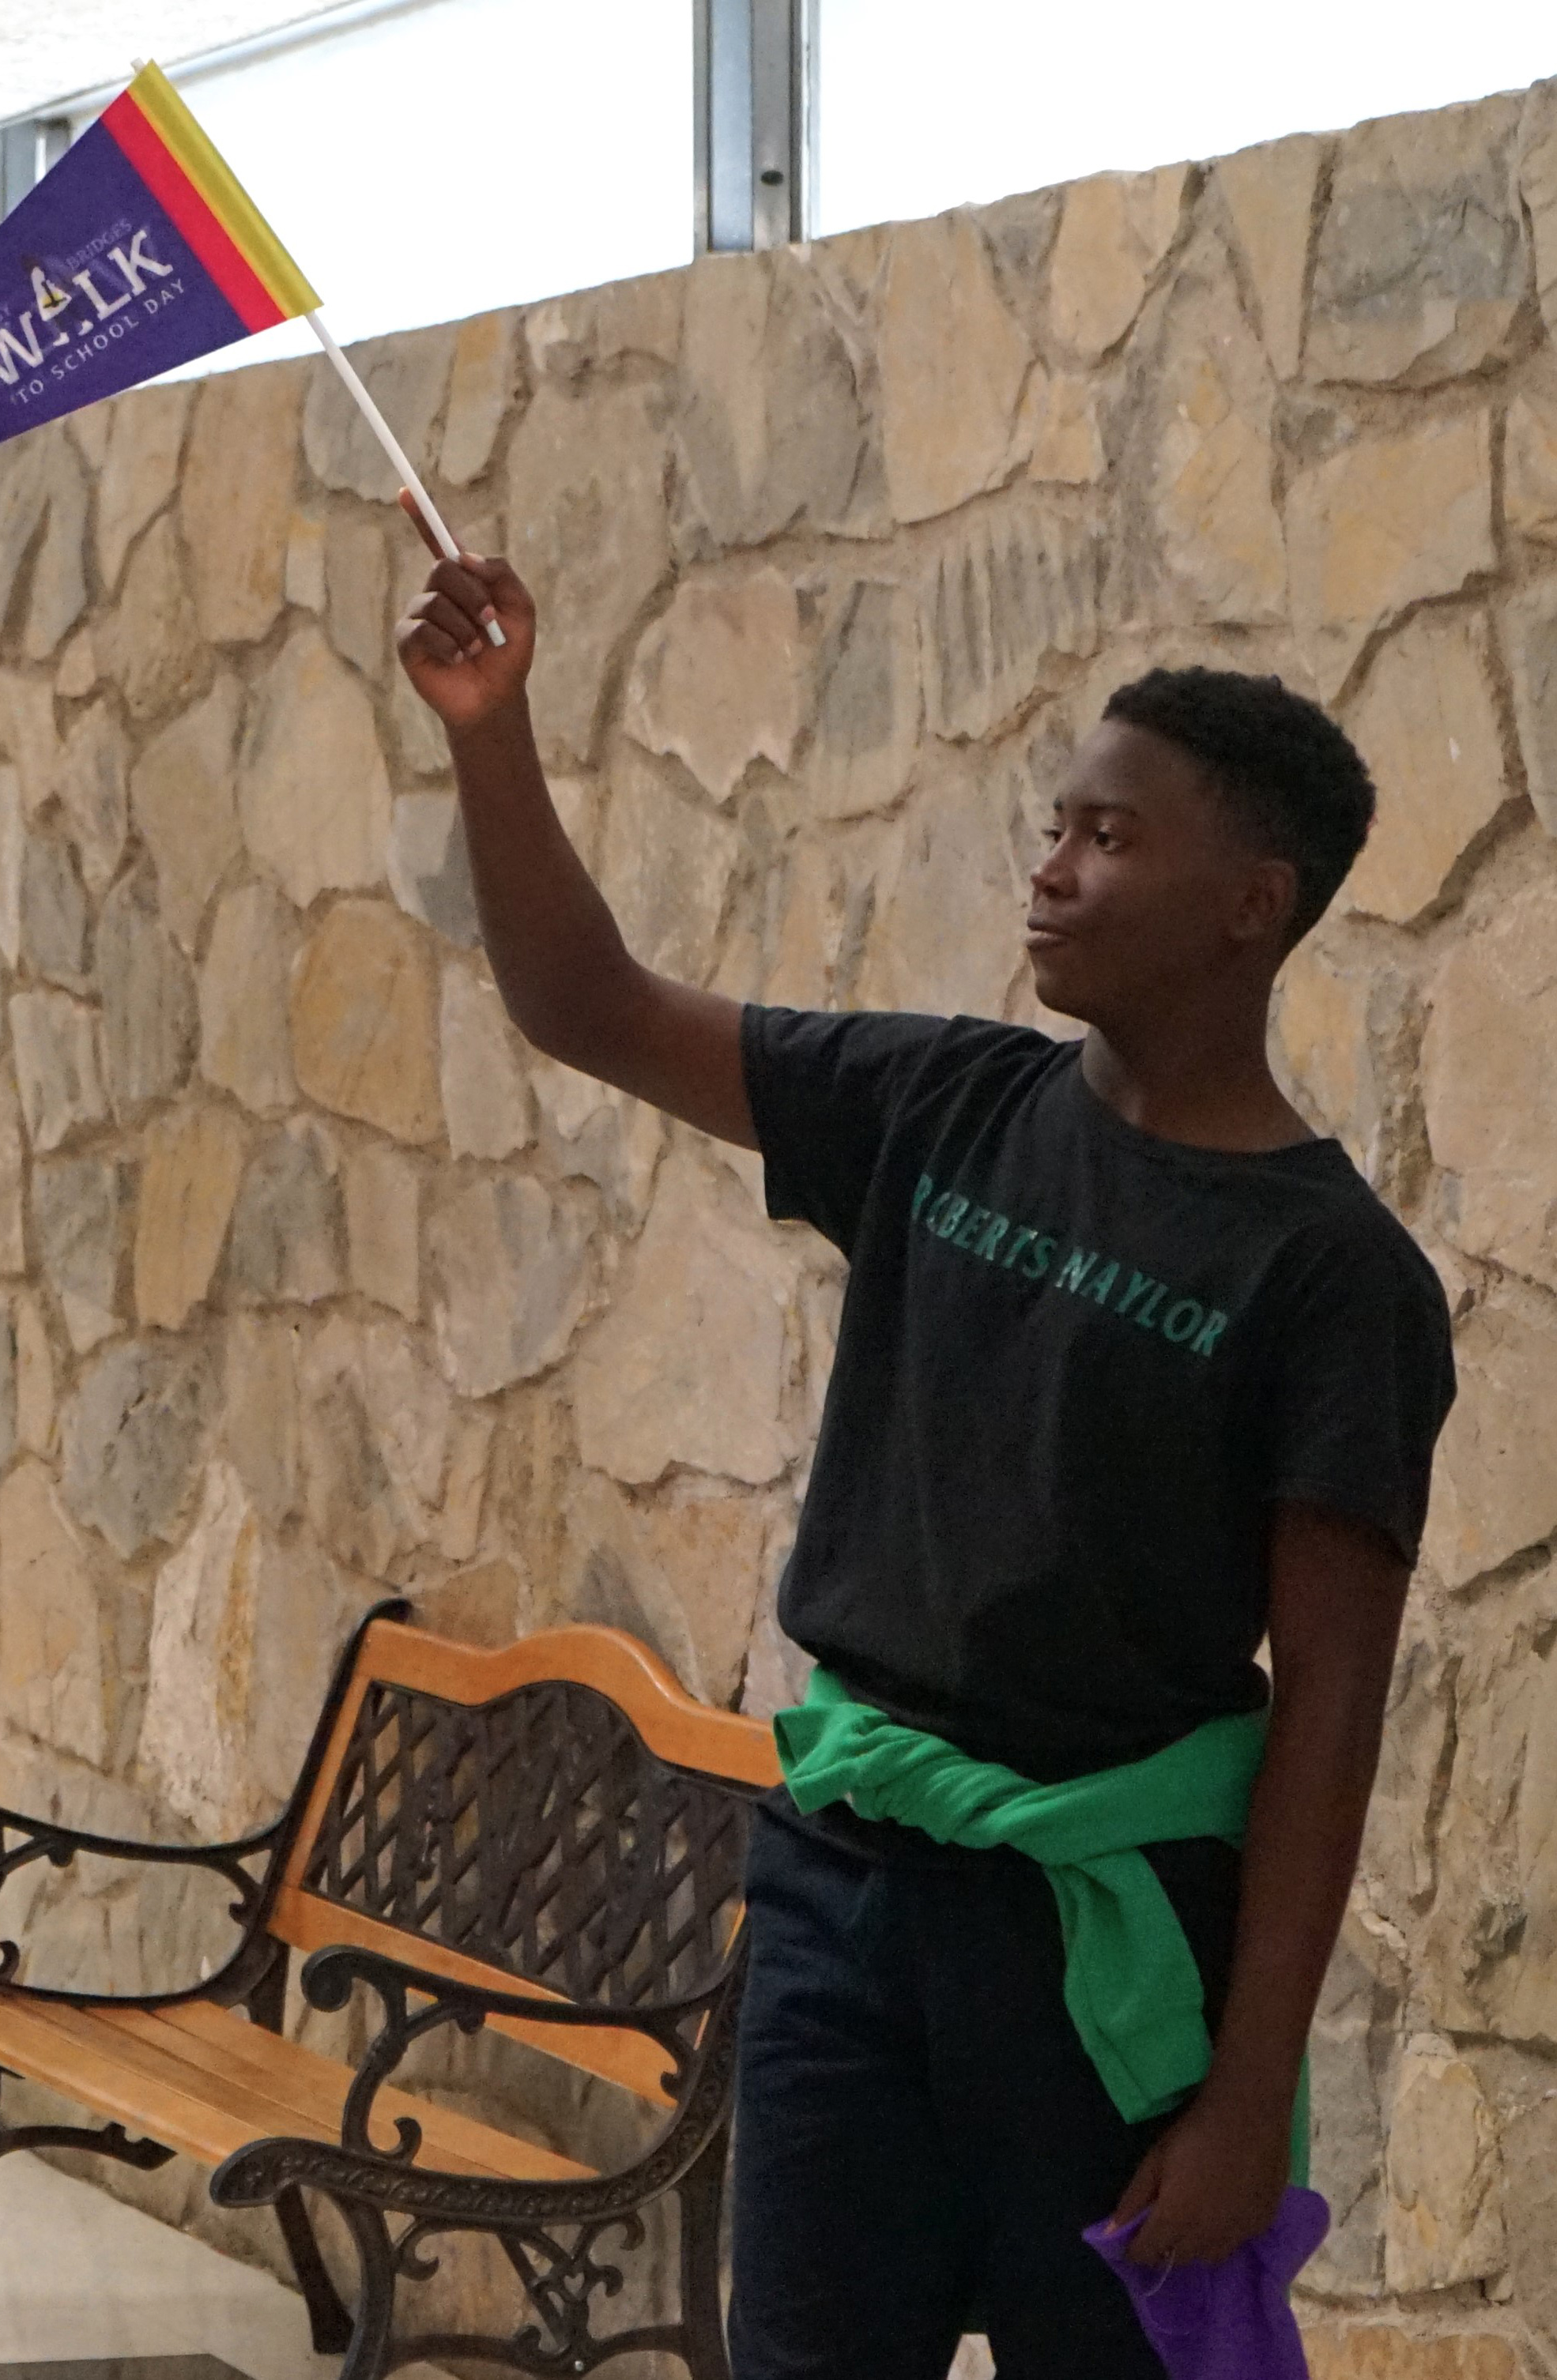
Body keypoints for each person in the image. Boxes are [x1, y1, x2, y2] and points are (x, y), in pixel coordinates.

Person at [390, 540, 1453, 2374]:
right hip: (844, 1897)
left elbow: (1329, 1710)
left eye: (1109, 838)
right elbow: (590, 1005)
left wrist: (1243, 2093)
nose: (1050, 867)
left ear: (1248, 906)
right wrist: (490, 733)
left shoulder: (1329, 1276)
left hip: (1106, 1964)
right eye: (1055, 824)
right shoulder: (937, 1101)